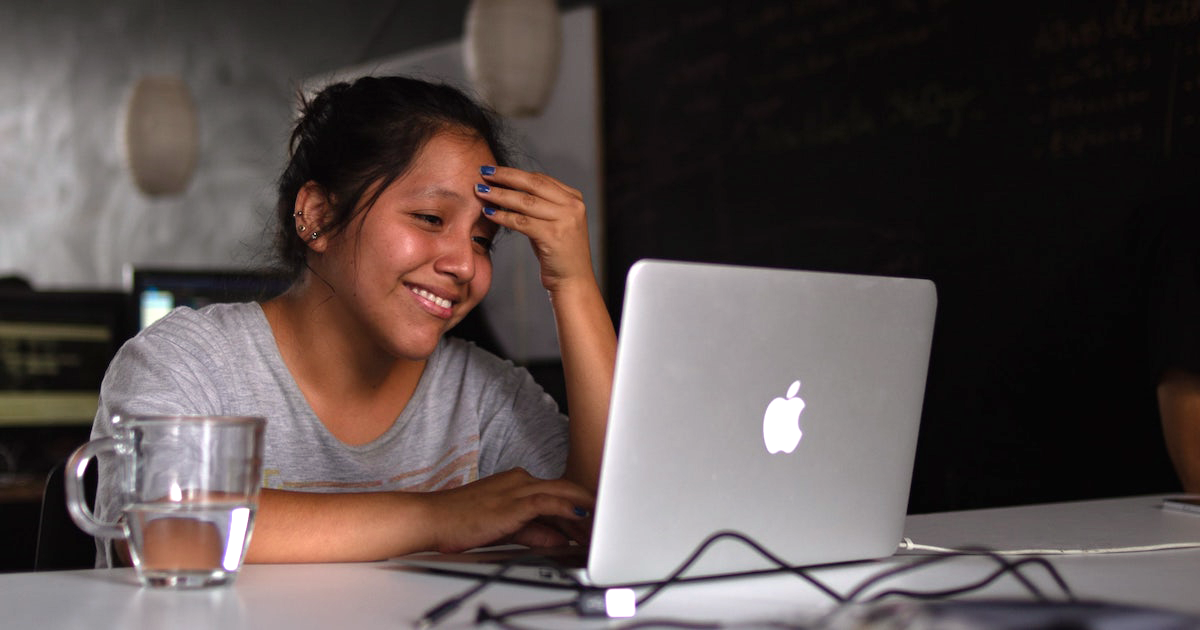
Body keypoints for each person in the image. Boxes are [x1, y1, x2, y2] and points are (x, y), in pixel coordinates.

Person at [91, 75, 617, 565]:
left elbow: (605, 521)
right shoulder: (187, 362)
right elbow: (160, 532)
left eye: (482, 241)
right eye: (431, 219)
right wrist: (438, 515)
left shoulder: (483, 395)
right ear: (318, 216)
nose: (464, 264)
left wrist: (573, 283)